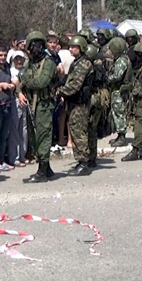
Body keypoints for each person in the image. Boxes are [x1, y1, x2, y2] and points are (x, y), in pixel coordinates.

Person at [18, 31, 58, 183]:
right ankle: (46, 169)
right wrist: (19, 92)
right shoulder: (30, 63)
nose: (36, 48)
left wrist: (25, 79)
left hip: (44, 105)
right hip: (31, 105)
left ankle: (42, 171)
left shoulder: (48, 63)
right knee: (34, 137)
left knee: (43, 136)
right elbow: (19, 82)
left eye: (39, 45)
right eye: (33, 45)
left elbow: (41, 82)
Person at [57, 35, 94, 176]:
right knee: (74, 129)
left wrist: (60, 92)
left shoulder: (83, 64)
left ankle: (83, 162)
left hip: (80, 103)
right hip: (74, 102)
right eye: (70, 46)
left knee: (79, 132)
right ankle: (80, 161)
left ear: (81, 48)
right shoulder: (76, 62)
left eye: (74, 47)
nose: (71, 49)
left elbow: (75, 86)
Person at [108, 37, 133, 147]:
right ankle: (119, 135)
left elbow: (117, 76)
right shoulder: (120, 58)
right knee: (116, 112)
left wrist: (107, 79)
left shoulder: (122, 60)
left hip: (119, 90)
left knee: (119, 113)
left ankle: (122, 137)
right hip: (117, 90)